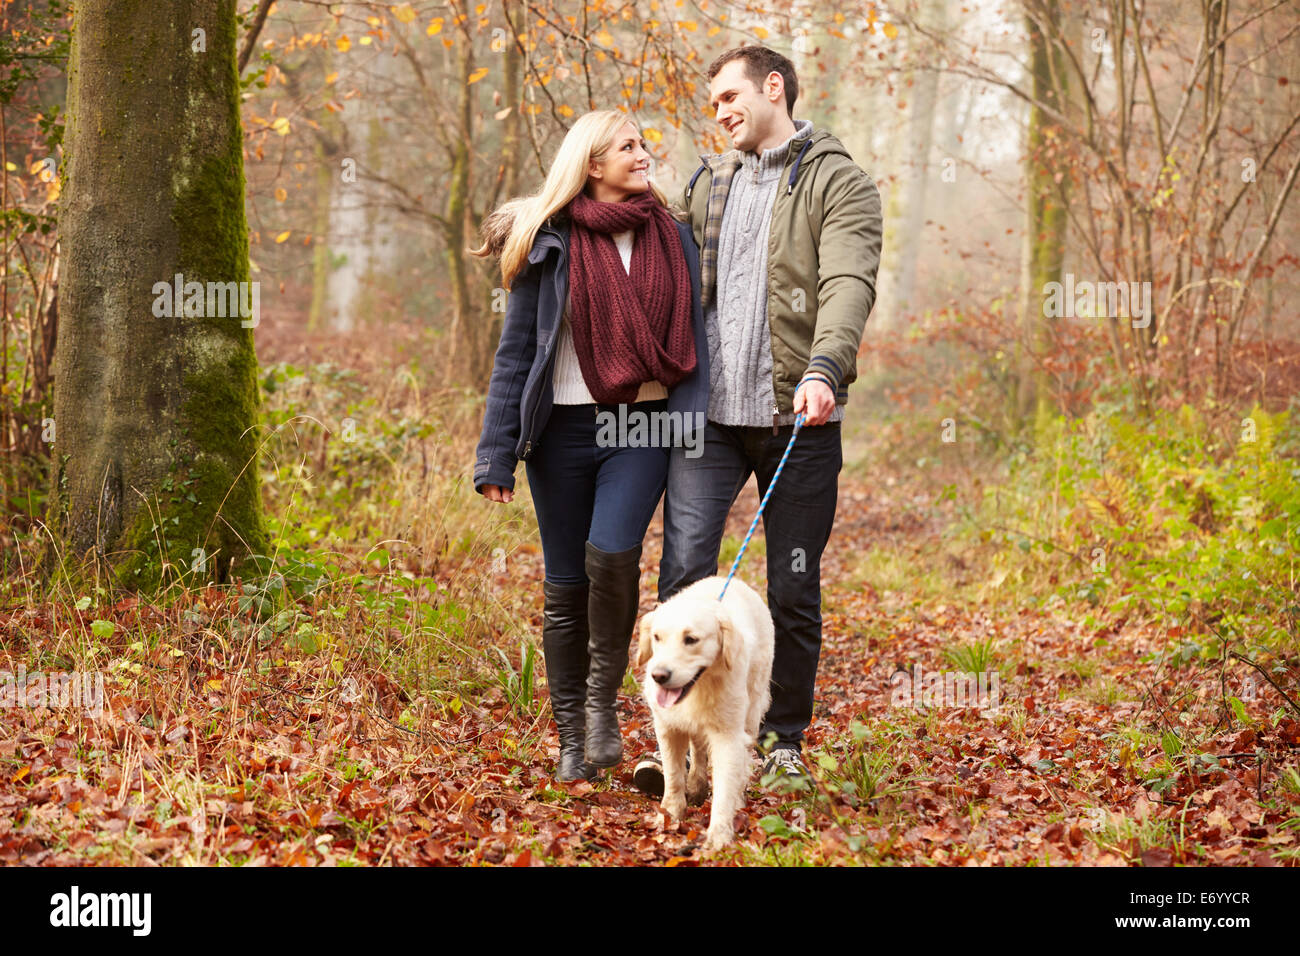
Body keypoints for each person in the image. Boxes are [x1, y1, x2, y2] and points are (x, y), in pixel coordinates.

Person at [632, 46, 883, 796]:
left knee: (792, 587)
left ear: (775, 88)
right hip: (708, 421)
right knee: (683, 582)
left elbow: (847, 282)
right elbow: (640, 239)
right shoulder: (711, 182)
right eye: (713, 103)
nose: (721, 112)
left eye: (730, 96)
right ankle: (673, 744)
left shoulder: (839, 182)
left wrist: (823, 369)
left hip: (796, 420)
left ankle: (782, 744)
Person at [472, 110, 709, 782]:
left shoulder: (672, 235)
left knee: (612, 557)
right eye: (627, 147)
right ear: (592, 165)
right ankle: (572, 738)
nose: (643, 154)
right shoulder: (548, 241)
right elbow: (516, 354)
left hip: (640, 426)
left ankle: (603, 706)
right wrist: (496, 456)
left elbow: (697, 333)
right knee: (564, 585)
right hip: (559, 437)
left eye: (642, 143)